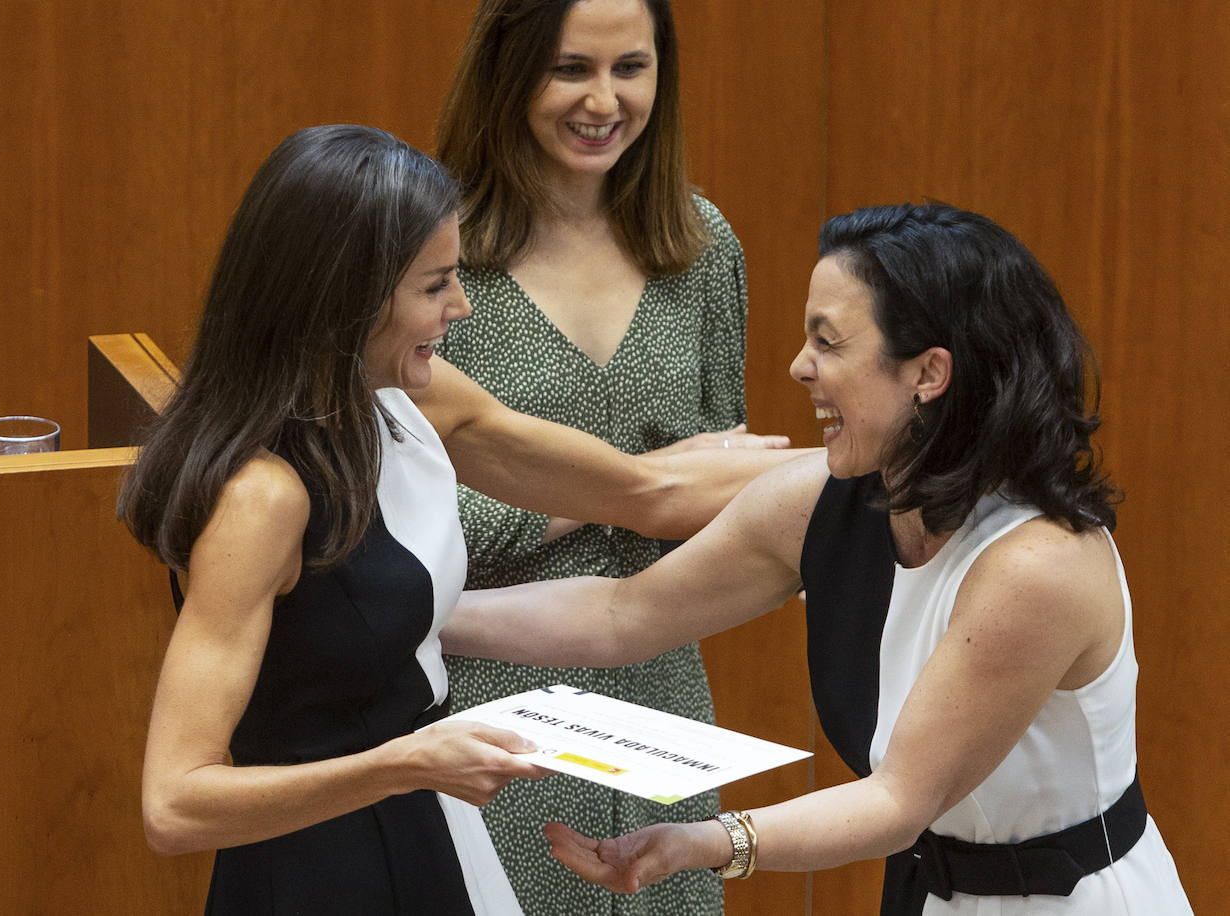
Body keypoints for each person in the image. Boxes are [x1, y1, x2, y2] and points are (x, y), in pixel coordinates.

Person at [120, 124, 794, 915]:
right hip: (318, 867)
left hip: (425, 823)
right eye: (436, 285)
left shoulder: (411, 396)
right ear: (349, 298)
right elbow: (174, 805)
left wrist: (871, 476)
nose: (461, 307)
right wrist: (405, 765)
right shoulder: (262, 500)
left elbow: (643, 491)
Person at [445, 203, 1193, 914]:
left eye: (828, 342)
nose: (799, 367)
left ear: (928, 374)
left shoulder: (1037, 565)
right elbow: (623, 613)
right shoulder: (820, 499)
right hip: (934, 890)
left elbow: (898, 801)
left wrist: (709, 840)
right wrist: (422, 615)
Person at [435, 2, 783, 911]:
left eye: (630, 67)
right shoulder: (432, 251)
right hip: (482, 693)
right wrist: (628, 493)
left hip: (660, 690)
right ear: (508, 71)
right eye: (569, 70)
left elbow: (723, 497)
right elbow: (399, 526)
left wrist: (704, 500)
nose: (604, 100)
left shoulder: (702, 248)